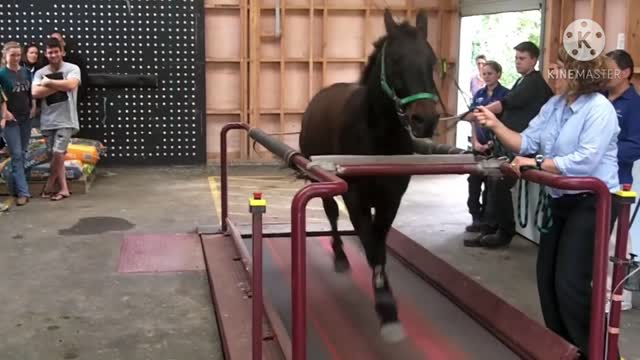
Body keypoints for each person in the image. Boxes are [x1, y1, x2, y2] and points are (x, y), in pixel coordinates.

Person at [474, 47, 620, 359]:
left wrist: (536, 162)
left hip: (593, 202)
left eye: (559, 68)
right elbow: (526, 142)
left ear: (579, 75)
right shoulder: (554, 105)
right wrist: (495, 124)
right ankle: (564, 350)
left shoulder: (599, 110)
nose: (553, 73)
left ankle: (596, 352)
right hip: (561, 199)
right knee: (547, 282)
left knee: (570, 284)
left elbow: (584, 161)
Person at [465, 41, 554, 248]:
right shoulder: (522, 82)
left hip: (524, 148)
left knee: (499, 183)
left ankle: (504, 231)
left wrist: (480, 112)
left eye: (522, 58)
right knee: (492, 181)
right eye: (516, 58)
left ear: (534, 59)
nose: (517, 62)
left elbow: (504, 104)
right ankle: (490, 227)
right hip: (512, 145)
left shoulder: (533, 83)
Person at [604, 49, 640, 312]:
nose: (604, 74)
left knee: (617, 239)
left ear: (626, 72)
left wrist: (602, 155)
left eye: (609, 69)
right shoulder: (599, 100)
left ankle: (617, 294)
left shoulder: (634, 105)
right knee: (598, 237)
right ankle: (598, 289)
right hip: (593, 179)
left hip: (619, 180)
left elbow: (636, 145)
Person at [32, 38, 82, 201]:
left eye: (56, 51)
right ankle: (64, 189)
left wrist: (48, 83)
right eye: (50, 52)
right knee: (54, 156)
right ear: (45, 54)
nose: (53, 55)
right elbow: (35, 93)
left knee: (58, 153)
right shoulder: (40, 72)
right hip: (48, 121)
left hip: (66, 120)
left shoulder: (73, 68)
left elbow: (71, 85)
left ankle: (49, 185)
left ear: (62, 52)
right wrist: (59, 84)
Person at [463, 60, 510, 232]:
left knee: (491, 186)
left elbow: (506, 123)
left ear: (499, 74)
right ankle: (476, 217)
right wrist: (475, 142)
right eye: (484, 73)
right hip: (478, 147)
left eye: (490, 73)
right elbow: (473, 121)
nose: (487, 76)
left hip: (496, 148)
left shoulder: (506, 95)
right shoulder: (479, 94)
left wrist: (493, 142)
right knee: (473, 182)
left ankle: (488, 222)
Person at [0, 42, 37, 206]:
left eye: (18, 54)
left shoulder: (26, 72)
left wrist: (34, 107)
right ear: (5, 56)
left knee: (22, 153)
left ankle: (16, 187)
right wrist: (4, 113)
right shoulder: (1, 74)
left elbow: (31, 93)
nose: (15, 58)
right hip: (11, 121)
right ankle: (23, 192)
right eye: (12, 55)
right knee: (16, 154)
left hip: (26, 118)